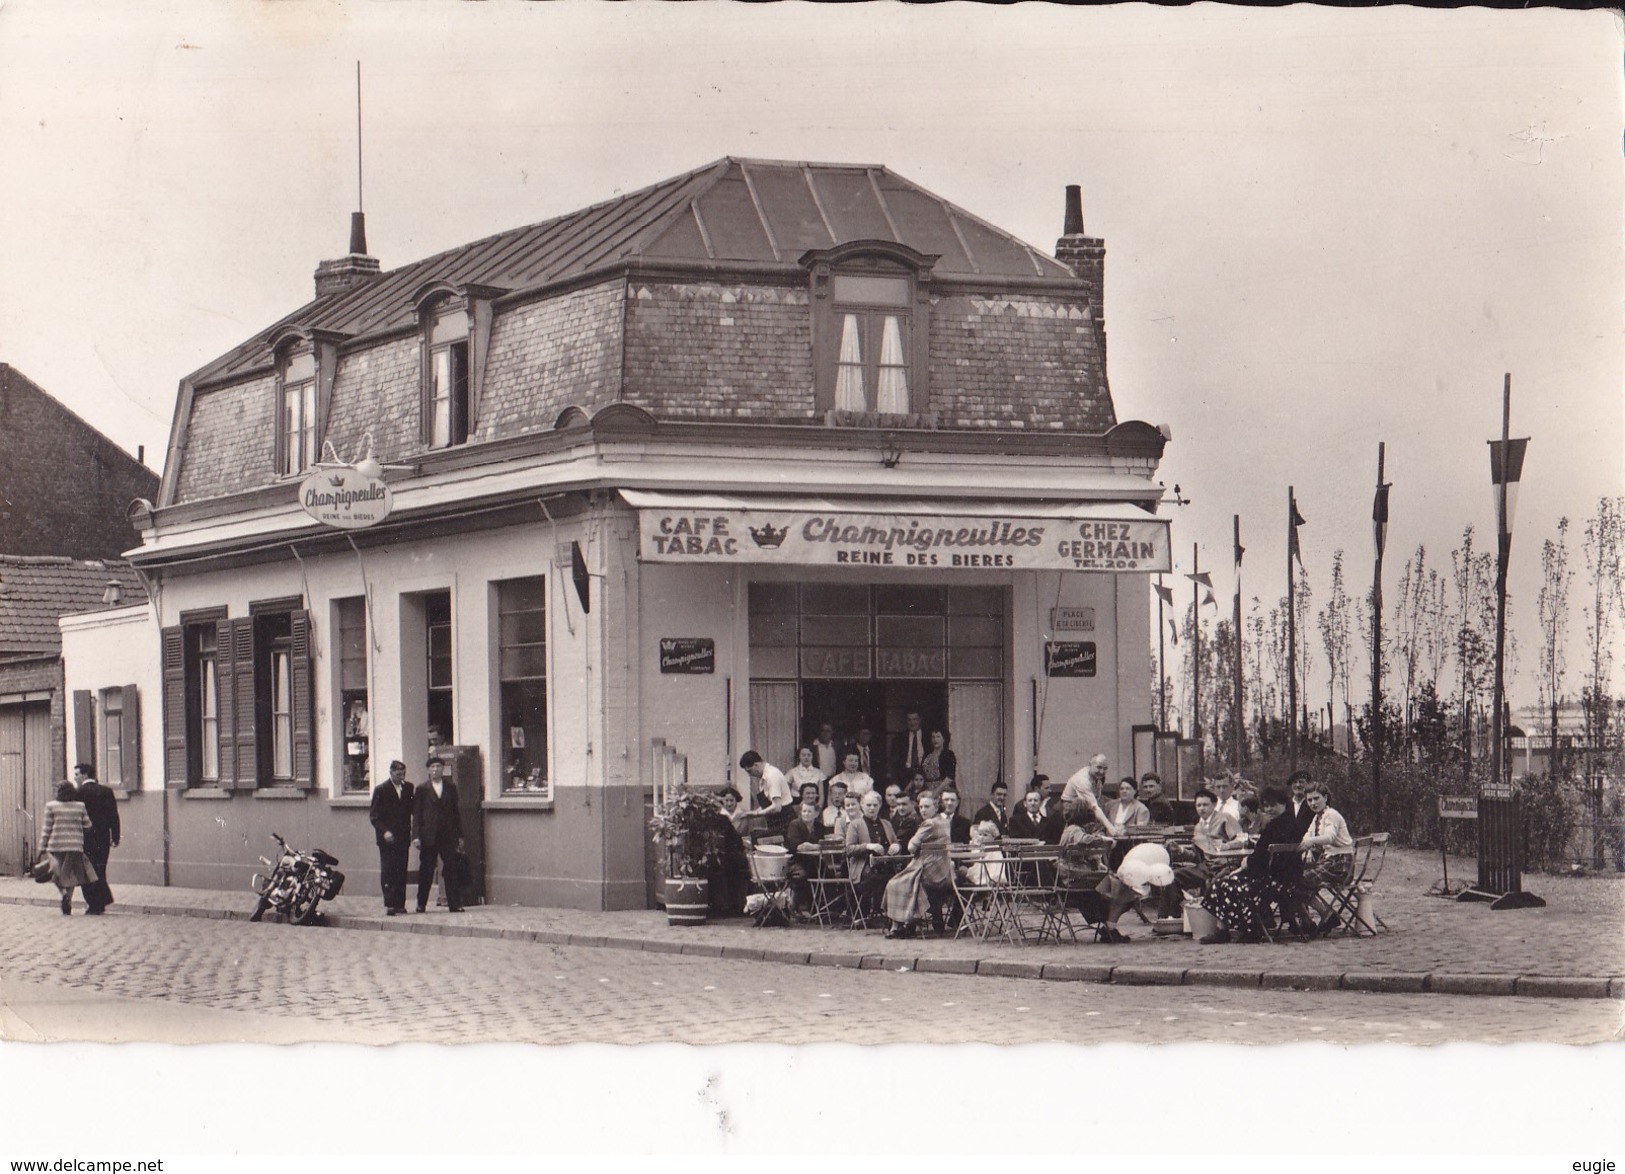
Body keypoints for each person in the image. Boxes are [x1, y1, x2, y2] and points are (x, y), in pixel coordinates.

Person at [1201, 784, 1305, 943]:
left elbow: (1259, 859)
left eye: (1273, 805)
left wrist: (1245, 865)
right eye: (1267, 805)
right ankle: (1250, 926)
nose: (1269, 809)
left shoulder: (1273, 827)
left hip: (1271, 881)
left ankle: (1232, 930)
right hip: (1290, 880)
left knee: (1221, 884)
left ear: (1283, 804)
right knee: (1231, 881)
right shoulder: (1295, 824)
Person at [883, 790, 957, 938]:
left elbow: (911, 846)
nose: (923, 810)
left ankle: (899, 925)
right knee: (906, 881)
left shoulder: (928, 823)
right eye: (921, 807)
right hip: (944, 871)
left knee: (894, 883)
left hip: (929, 873)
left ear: (936, 807)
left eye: (927, 807)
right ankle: (903, 924)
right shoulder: (945, 822)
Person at [1095, 840, 1179, 943]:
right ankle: (1110, 928)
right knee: (1123, 892)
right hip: (1096, 880)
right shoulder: (1079, 833)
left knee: (1126, 891)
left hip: (1098, 877)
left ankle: (1109, 926)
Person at [412, 756, 465, 912]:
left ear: (443, 769)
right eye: (432, 767)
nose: (435, 770)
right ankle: (421, 903)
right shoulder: (422, 789)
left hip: (448, 835)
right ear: (428, 770)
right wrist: (415, 836)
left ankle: (454, 903)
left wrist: (459, 835)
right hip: (428, 836)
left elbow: (456, 813)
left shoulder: (450, 787)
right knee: (426, 870)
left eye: (438, 767)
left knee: (451, 869)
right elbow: (417, 814)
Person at [1173, 787, 1248, 896]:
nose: (1202, 808)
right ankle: (1172, 913)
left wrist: (1227, 846)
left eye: (1205, 805)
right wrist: (1181, 850)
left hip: (1227, 865)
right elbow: (1196, 857)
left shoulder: (1225, 818)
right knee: (1173, 876)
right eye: (1198, 805)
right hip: (1207, 868)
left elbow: (1243, 840)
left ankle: (1204, 911)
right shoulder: (1198, 827)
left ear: (1214, 805)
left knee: (1214, 887)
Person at [39, 780, 97, 916]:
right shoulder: (80, 806)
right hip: (75, 846)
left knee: (55, 873)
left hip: (56, 845)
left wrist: (42, 846)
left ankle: (64, 893)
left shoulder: (51, 806)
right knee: (70, 875)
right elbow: (87, 825)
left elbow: (46, 828)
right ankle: (68, 900)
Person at [368, 759, 414, 915]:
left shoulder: (408, 788)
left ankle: (400, 903)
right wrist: (384, 831)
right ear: (391, 773)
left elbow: (411, 810)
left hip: (403, 836)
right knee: (389, 870)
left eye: (403, 773)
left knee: (401, 870)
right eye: (398, 774)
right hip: (387, 838)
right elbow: (374, 816)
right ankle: (390, 903)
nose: (401, 777)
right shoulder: (381, 790)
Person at [845, 790, 901, 918]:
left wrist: (896, 846)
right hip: (864, 866)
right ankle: (865, 914)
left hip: (887, 865)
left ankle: (892, 916)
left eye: (875, 805)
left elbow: (895, 842)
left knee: (899, 880)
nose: (872, 808)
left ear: (880, 806)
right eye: (868, 805)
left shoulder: (886, 824)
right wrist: (868, 846)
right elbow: (849, 849)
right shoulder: (855, 825)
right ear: (862, 806)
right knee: (872, 878)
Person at [74, 763, 118, 915]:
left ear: (85, 775)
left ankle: (95, 904)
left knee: (87, 871)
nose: (75, 778)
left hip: (85, 838)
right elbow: (113, 815)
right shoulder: (106, 791)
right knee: (100, 868)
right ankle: (101, 902)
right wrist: (116, 836)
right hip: (103, 837)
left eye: (77, 775)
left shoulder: (78, 792)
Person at [782, 796, 825, 916]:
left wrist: (810, 845)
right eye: (804, 811)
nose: (806, 814)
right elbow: (797, 846)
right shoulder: (795, 825)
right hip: (795, 861)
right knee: (802, 875)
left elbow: (823, 843)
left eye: (809, 811)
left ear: (816, 814)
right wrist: (816, 846)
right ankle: (798, 907)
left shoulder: (819, 827)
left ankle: (820, 908)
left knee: (827, 874)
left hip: (814, 861)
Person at [1059, 760, 1120, 835]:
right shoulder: (1082, 780)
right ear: (1090, 765)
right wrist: (1110, 827)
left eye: (1105, 768)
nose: (1102, 771)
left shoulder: (1097, 777)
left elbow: (1098, 798)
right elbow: (1094, 807)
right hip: (1070, 810)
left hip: (1084, 808)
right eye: (1099, 767)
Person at [895, 711, 928, 780]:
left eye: (915, 719)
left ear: (920, 719)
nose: (912, 723)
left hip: (924, 775)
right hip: (905, 776)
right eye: (909, 720)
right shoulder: (899, 738)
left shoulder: (928, 737)